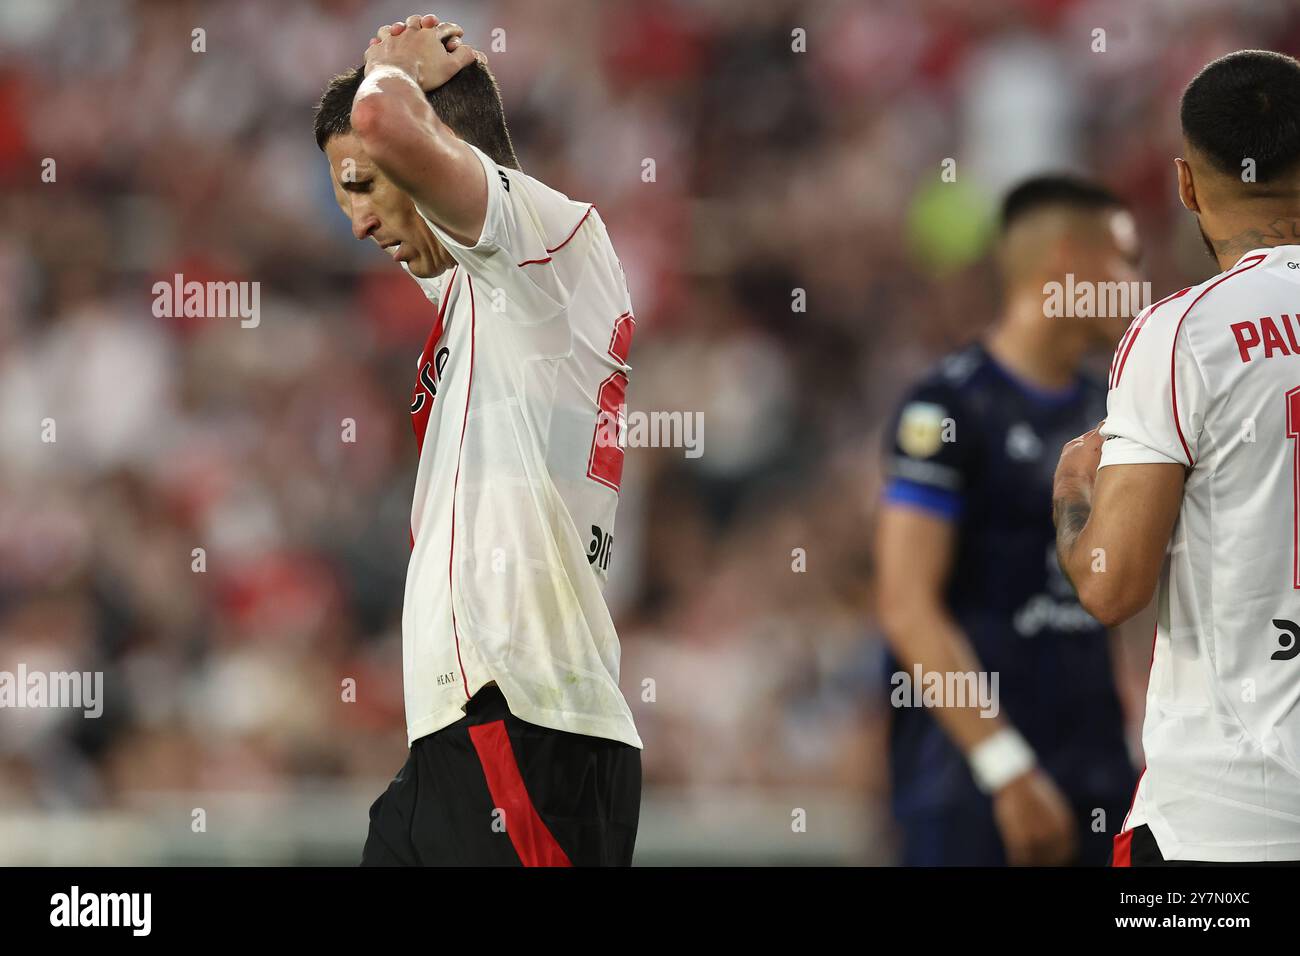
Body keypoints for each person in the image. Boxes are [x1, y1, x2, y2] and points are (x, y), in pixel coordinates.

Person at [312, 14, 642, 866]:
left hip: (527, 728)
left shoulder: (549, 247)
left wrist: (389, 71)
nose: (355, 223)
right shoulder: (493, 293)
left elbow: (386, 122)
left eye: (360, 185)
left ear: (436, 151)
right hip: (472, 735)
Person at [1054, 49, 1300, 865]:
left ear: (1187, 185)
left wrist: (1073, 491)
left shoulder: (1183, 335)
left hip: (1225, 821)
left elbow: (1109, 584)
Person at [877, 175, 1142, 865]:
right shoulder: (947, 407)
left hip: (1099, 773)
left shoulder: (1117, 413)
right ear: (1064, 261)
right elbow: (907, 605)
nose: (1138, 284)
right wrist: (1007, 769)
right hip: (973, 788)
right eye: (1123, 259)